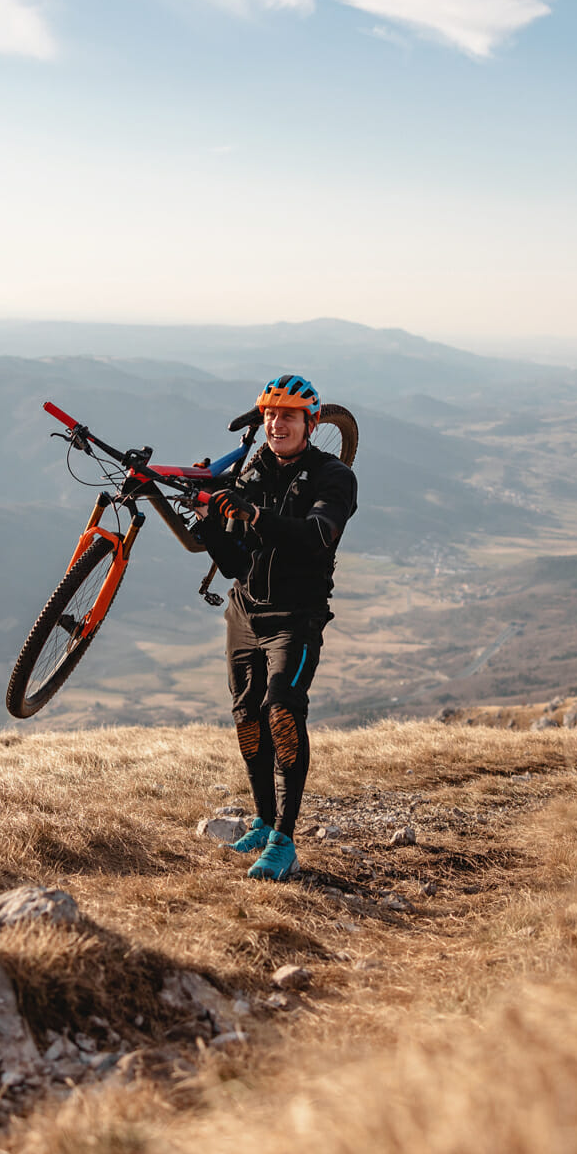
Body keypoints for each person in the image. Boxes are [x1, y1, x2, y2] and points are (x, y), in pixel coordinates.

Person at [192, 373, 358, 880]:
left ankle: (285, 838)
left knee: (281, 709)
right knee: (247, 716)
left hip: (296, 618)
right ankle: (262, 820)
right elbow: (238, 558)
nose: (276, 423)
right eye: (270, 414)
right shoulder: (255, 468)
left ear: (310, 423)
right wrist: (212, 525)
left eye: (288, 415)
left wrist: (256, 514)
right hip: (245, 610)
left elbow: (316, 535)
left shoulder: (334, 477)